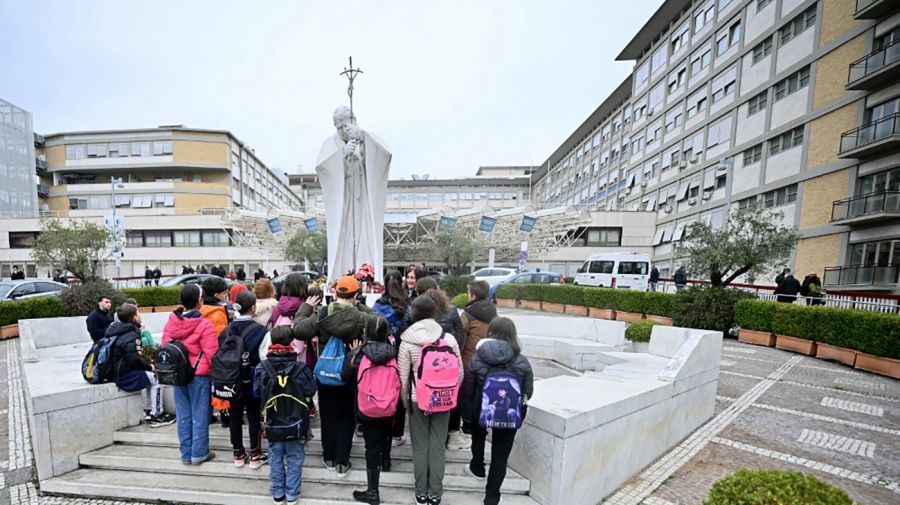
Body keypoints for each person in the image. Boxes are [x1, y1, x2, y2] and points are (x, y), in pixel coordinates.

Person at [293, 276, 375, 478]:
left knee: (328, 415)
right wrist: (362, 307)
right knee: (347, 416)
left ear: (335, 293)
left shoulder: (323, 313)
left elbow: (299, 329)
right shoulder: (361, 317)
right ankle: (342, 460)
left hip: (326, 373)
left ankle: (328, 456)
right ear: (356, 295)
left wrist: (305, 308)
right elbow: (381, 325)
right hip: (350, 372)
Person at [397, 296, 464, 505]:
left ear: (413, 315)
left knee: (420, 446)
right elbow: (459, 373)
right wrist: (448, 393)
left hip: (418, 400)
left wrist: (406, 403)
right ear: (436, 313)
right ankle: (435, 493)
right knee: (437, 445)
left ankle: (421, 493)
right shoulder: (449, 339)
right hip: (443, 400)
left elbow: (403, 377)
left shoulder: (407, 341)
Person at [460, 317, 534, 505]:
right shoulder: (521, 361)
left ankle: (477, 467)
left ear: (490, 332)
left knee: (478, 434)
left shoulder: (478, 357)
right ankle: (492, 496)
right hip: (509, 412)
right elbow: (528, 392)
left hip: (480, 409)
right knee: (500, 455)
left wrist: (467, 414)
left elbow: (467, 389)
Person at [255, 325, 317, 505]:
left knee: (275, 457)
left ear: (272, 342)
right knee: (295, 459)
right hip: (296, 423)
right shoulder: (301, 368)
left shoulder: (263, 367)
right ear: (291, 343)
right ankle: (292, 495)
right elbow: (311, 390)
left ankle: (277, 494)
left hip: (272, 422)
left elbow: (257, 391)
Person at [161, 284, 219, 465]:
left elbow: (165, 345)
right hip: (198, 375)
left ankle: (186, 454)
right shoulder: (204, 324)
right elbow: (212, 354)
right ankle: (199, 453)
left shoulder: (171, 321)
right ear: (199, 301)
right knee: (199, 415)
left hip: (178, 375)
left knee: (183, 415)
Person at [342, 316, 394, 504]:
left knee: (371, 447)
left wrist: (352, 353)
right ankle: (386, 459)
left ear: (366, 332)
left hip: (367, 407)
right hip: (390, 406)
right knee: (386, 434)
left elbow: (345, 376)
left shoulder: (359, 354)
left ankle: (373, 491)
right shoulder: (394, 352)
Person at [414, 278, 466, 451]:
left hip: (424, 366)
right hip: (447, 364)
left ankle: (429, 438)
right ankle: (451, 436)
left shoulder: (415, 311)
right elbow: (460, 337)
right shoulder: (451, 311)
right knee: (450, 396)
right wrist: (451, 356)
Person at [222, 291, 269, 469]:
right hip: (253, 380)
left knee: (235, 415)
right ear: (254, 308)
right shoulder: (262, 331)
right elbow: (265, 358)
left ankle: (238, 455)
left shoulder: (227, 330)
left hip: (231, 380)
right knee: (254, 417)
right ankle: (255, 456)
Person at [108, 303, 174, 428]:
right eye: (137, 313)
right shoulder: (130, 335)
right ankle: (156, 416)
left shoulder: (118, 331)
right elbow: (134, 360)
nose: (140, 315)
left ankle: (150, 410)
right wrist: (150, 367)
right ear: (133, 317)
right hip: (125, 376)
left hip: (118, 373)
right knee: (156, 378)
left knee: (150, 378)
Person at [460, 280, 497, 367]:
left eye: (468, 293)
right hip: (489, 360)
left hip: (470, 362)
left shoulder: (467, 315)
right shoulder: (494, 312)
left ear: (473, 296)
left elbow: (461, 341)